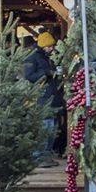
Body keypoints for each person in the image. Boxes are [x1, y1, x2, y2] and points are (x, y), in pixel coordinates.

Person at [23, 32, 63, 167]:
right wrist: (46, 73)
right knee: (45, 126)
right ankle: (38, 156)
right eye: (49, 46)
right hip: (42, 97)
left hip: (51, 96)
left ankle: (46, 155)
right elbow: (29, 76)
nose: (52, 48)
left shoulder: (47, 57)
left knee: (52, 127)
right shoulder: (33, 57)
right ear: (44, 45)